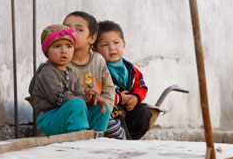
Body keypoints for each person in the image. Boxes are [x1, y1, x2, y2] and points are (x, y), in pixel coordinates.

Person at [28, 24, 110, 137]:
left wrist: (91, 98)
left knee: (101, 108)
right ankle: (79, 139)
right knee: (77, 103)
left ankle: (95, 140)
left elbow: (81, 96)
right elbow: (59, 98)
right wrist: (83, 98)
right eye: (57, 46)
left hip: (70, 115)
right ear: (47, 51)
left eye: (68, 46)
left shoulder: (72, 73)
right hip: (50, 118)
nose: (63, 51)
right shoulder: (46, 72)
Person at [63, 11, 128, 140]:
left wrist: (105, 111)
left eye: (79, 29)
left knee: (118, 131)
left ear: (92, 38)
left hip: (98, 112)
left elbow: (108, 89)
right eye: (67, 28)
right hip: (74, 116)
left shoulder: (98, 60)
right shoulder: (61, 63)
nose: (71, 32)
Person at [94, 20, 152, 140]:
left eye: (116, 43)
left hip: (128, 110)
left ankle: (132, 138)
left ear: (123, 45)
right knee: (115, 112)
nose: (112, 48)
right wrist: (119, 98)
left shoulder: (131, 69)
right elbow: (99, 93)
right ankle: (126, 141)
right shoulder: (98, 69)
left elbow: (141, 86)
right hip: (112, 112)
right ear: (95, 49)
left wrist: (135, 98)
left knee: (144, 111)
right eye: (105, 45)